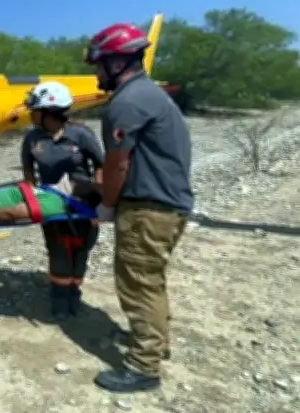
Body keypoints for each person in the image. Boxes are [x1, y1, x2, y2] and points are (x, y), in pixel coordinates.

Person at [84, 23, 194, 393]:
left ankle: (143, 367)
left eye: (99, 65)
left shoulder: (126, 103)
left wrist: (107, 204)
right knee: (153, 280)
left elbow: (118, 164)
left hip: (147, 209)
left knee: (138, 286)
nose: (96, 73)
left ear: (116, 62)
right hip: (169, 206)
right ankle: (157, 346)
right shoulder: (154, 96)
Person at [20, 81, 105, 321]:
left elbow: (100, 165)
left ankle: (73, 292)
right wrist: (33, 200)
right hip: (51, 204)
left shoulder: (81, 134)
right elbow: (28, 171)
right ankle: (59, 297)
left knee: (81, 250)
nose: (31, 114)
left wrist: (99, 201)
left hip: (83, 204)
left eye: (35, 110)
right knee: (57, 251)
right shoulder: (32, 139)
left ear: (49, 112)